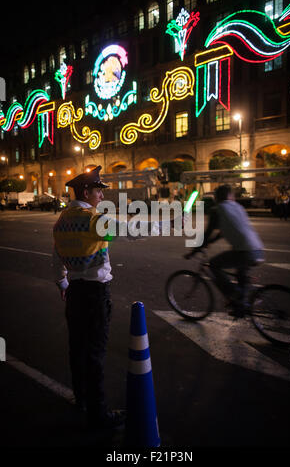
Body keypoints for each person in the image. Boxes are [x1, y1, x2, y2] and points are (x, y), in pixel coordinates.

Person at [52, 165, 180, 431]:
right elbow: (132, 232)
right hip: (95, 293)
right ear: (86, 190)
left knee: (77, 348)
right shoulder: (93, 221)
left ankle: (82, 398)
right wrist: (167, 223)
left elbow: (56, 254)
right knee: (96, 353)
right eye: (99, 190)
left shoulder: (63, 219)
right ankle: (99, 414)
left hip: (74, 292)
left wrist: (63, 281)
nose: (102, 196)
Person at [186, 184, 264, 318]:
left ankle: (234, 294)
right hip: (258, 249)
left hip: (244, 252)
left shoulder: (218, 209)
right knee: (241, 274)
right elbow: (222, 233)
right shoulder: (237, 207)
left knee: (214, 265)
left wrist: (195, 250)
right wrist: (210, 242)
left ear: (216, 198)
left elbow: (208, 233)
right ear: (230, 196)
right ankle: (242, 305)